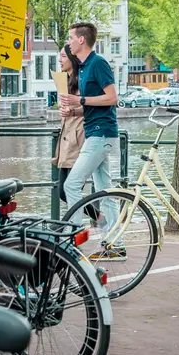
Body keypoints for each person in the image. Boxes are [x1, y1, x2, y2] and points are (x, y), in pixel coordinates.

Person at [59, 22, 123, 260]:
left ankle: (73, 242)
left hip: (101, 134)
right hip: (95, 131)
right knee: (104, 191)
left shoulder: (98, 64)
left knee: (71, 185)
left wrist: (80, 102)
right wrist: (74, 112)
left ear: (81, 40)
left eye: (71, 38)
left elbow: (112, 98)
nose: (69, 42)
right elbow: (91, 105)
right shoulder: (84, 68)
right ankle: (114, 244)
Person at [52, 45, 98, 221]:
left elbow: (91, 108)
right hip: (66, 140)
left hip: (78, 139)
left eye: (63, 56)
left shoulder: (82, 82)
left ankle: (78, 227)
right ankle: (96, 218)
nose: (60, 60)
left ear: (72, 59)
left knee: (68, 189)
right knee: (63, 191)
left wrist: (73, 110)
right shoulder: (66, 81)